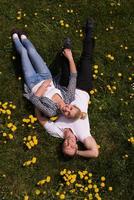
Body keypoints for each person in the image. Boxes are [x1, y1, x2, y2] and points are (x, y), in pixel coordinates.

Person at [35, 19, 99, 158]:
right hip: (83, 88)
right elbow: (94, 153)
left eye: (66, 146)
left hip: (65, 89)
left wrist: (36, 102)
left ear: (63, 144)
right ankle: (89, 33)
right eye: (72, 147)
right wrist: (77, 152)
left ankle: (66, 49)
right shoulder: (83, 135)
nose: (68, 144)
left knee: (65, 68)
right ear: (76, 146)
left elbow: (41, 119)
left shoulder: (58, 132)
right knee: (86, 59)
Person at [12, 32, 84, 119]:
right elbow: (73, 77)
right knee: (31, 51)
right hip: (46, 76)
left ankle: (15, 38)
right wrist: (70, 58)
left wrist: (43, 86)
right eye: (71, 109)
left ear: (66, 117)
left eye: (68, 114)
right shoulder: (69, 97)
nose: (67, 110)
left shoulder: (51, 112)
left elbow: (34, 100)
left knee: (24, 53)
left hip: (33, 83)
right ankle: (23, 38)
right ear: (73, 105)